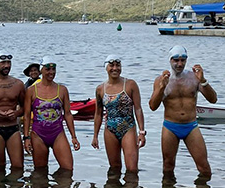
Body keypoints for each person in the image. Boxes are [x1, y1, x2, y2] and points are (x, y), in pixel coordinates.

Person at [148, 45, 217, 176]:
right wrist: (161, 88)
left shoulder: (194, 78)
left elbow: (213, 99)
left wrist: (203, 81)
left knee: (204, 167)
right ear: (170, 60)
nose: (180, 64)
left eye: (183, 60)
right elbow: (152, 106)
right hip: (170, 127)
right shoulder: (162, 80)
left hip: (191, 126)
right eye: (176, 60)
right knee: (168, 166)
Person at [22, 56, 80, 170]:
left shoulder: (62, 90)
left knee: (68, 169)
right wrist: (26, 138)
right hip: (38, 134)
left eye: (53, 69)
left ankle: (58, 187)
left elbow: (67, 114)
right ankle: (43, 187)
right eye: (48, 69)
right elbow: (27, 115)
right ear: (41, 71)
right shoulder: (31, 91)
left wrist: (74, 136)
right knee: (40, 171)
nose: (51, 72)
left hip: (57, 133)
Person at [91, 55, 146, 172]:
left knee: (132, 169)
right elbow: (98, 114)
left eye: (118, 65)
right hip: (110, 129)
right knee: (114, 168)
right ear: (106, 68)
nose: (115, 68)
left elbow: (138, 109)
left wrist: (141, 132)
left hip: (128, 128)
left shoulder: (130, 85)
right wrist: (95, 136)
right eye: (112, 65)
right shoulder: (100, 89)